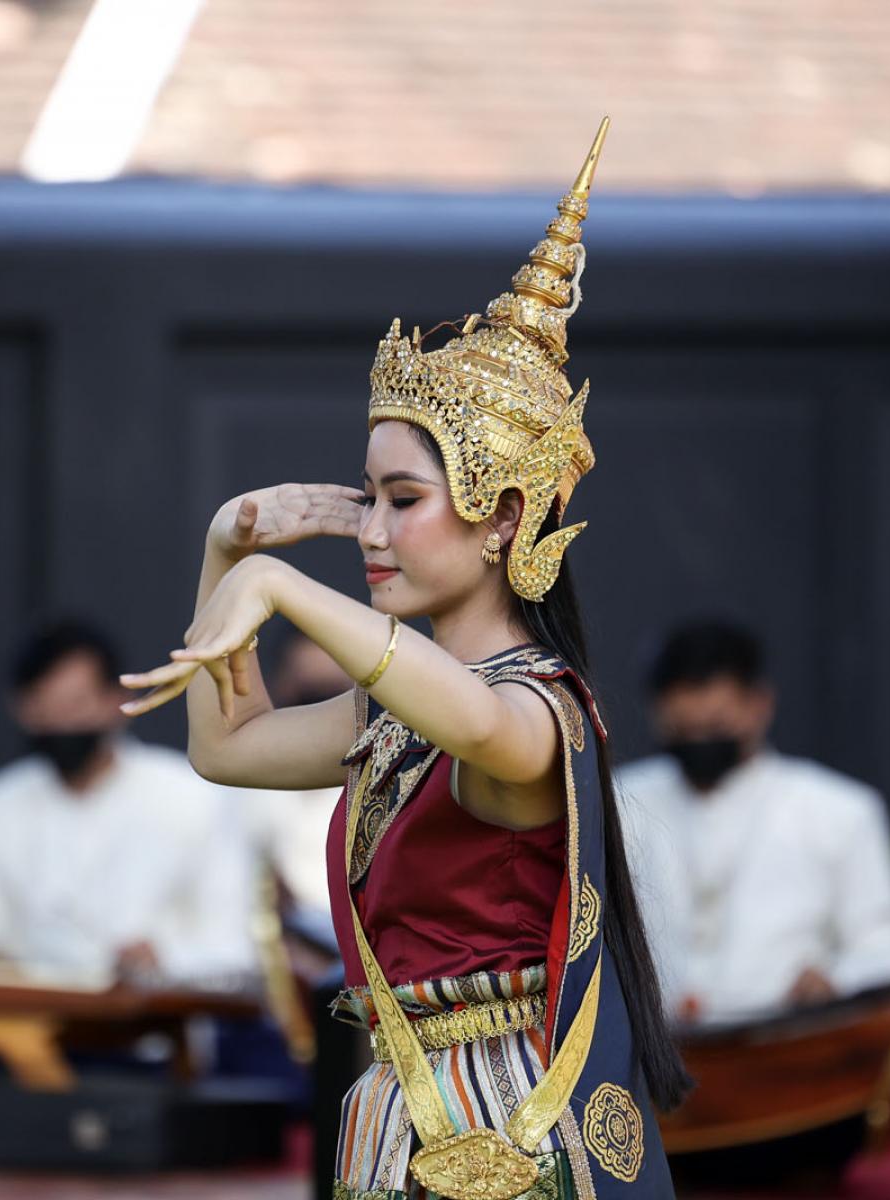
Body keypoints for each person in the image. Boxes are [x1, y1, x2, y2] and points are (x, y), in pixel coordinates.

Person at [122, 120, 685, 1200]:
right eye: (366, 497)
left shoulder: (534, 714)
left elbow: (474, 726)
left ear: (502, 517)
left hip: (499, 1130)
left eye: (403, 501)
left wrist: (290, 590)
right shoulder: (395, 718)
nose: (370, 530)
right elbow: (224, 746)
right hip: (399, 1106)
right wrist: (224, 548)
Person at [617, 621, 890, 1026]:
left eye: (715, 728)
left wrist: (833, 980)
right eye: (682, 731)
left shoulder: (838, 809)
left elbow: (888, 951)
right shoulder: (620, 802)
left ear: (760, 705)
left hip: (786, 1050)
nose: (699, 742)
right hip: (651, 1053)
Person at [0, 620, 255, 984]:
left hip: (163, 1025)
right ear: (21, 710)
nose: (63, 725)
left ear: (116, 700)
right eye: (44, 709)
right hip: (28, 1028)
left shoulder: (193, 798)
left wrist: (162, 958)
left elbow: (235, 950)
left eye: (75, 705)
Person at [240, 628, 355, 930]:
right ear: (281, 687)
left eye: (333, 695)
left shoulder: (393, 781)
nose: (320, 714)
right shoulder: (235, 785)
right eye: (309, 694)